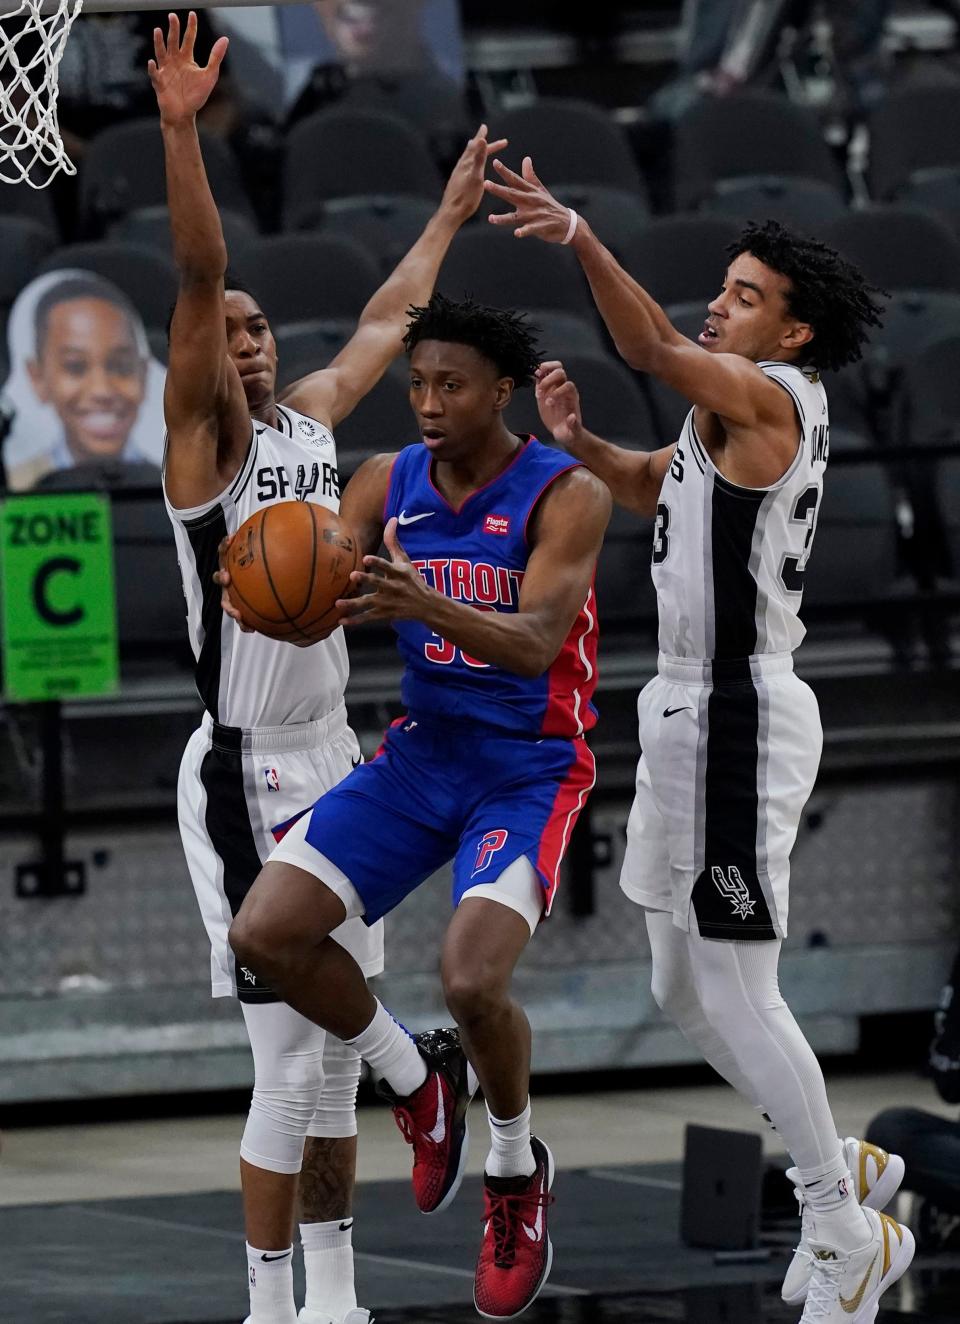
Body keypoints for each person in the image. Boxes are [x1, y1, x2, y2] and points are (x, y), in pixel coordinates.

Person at [487, 157, 911, 1324]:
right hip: (683, 706)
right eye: (720, 288)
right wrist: (577, 442)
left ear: (793, 328)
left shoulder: (772, 397)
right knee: (681, 979)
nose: (718, 305)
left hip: (737, 709)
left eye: (742, 294)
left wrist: (580, 236)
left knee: (736, 982)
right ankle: (851, 1167)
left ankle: (841, 1221)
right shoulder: (726, 418)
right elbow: (652, 489)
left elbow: (653, 349)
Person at [149, 14, 501, 1324]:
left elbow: (391, 312)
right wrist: (183, 129)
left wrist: (451, 213)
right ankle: (272, 1298)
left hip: (338, 759)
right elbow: (198, 269)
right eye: (222, 330)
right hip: (242, 767)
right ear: (194, 359)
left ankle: (337, 1298)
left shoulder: (308, 420)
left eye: (254, 330)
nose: (241, 338)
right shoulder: (204, 450)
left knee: (318, 1072)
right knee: (285, 1059)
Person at [223, 291, 610, 1319]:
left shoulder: (564, 494)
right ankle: (417, 1080)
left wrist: (422, 598)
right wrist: (274, 600)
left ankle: (516, 1170)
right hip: (422, 753)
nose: (429, 404)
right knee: (264, 931)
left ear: (501, 390)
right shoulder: (384, 478)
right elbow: (329, 585)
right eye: (418, 385)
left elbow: (533, 643)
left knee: (472, 980)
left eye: (451, 386)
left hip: (526, 763)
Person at [5, 270, 157, 491]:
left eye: (121, 367)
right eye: (75, 367)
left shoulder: (178, 491)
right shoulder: (16, 490)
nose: (101, 391)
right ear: (37, 378)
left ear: (144, 374)